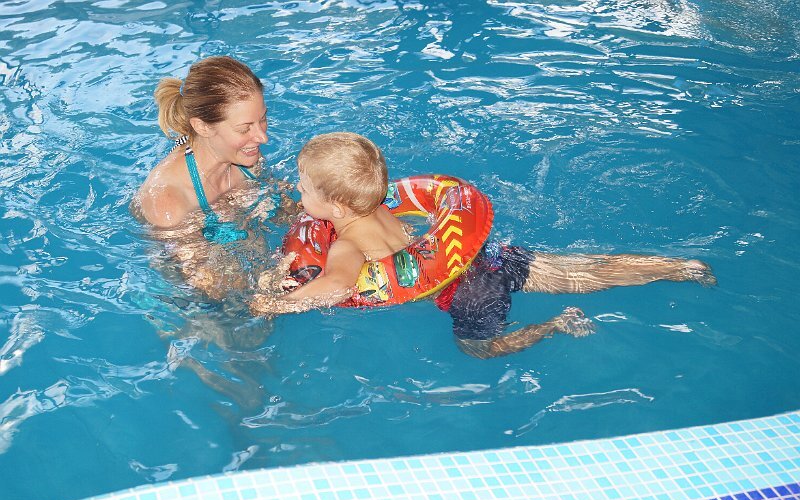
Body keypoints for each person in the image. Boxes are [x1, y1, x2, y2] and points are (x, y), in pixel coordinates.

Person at [251, 132, 716, 358]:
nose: (298, 191)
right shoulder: (382, 209)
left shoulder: (347, 245)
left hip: (467, 295)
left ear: (335, 204)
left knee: (481, 349)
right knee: (580, 271)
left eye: (303, 186)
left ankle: (555, 326)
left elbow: (335, 286)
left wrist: (275, 302)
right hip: (485, 259)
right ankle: (676, 266)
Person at [132, 56, 294, 298]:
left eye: (262, 120)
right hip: (189, 303)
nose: (262, 137)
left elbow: (287, 212)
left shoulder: (246, 158)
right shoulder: (168, 202)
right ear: (203, 127)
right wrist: (277, 286)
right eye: (245, 128)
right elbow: (211, 289)